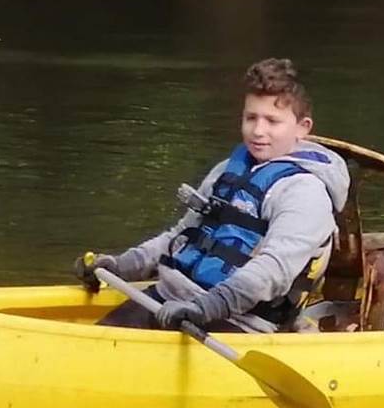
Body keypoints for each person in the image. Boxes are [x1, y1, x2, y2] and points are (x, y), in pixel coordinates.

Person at [75, 58, 350, 332]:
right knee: (94, 341)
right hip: (171, 299)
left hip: (237, 320)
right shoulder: (227, 171)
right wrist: (119, 267)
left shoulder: (306, 193)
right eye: (250, 117)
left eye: (272, 121)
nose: (258, 131)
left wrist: (206, 307)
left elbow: (273, 270)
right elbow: (180, 236)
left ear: (303, 127)